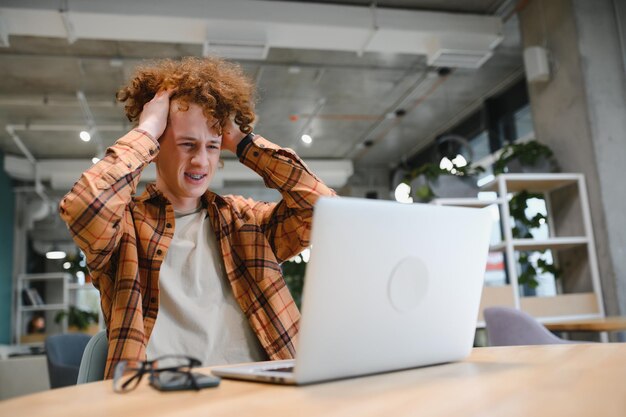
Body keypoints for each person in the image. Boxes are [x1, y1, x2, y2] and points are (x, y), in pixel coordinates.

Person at [59, 56, 335, 379]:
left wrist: (244, 143)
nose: (201, 161)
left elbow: (323, 211)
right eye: (187, 144)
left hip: (262, 396)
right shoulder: (125, 229)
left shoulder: (244, 222)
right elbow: (84, 207)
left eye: (213, 146)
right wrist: (147, 130)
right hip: (163, 400)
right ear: (157, 146)